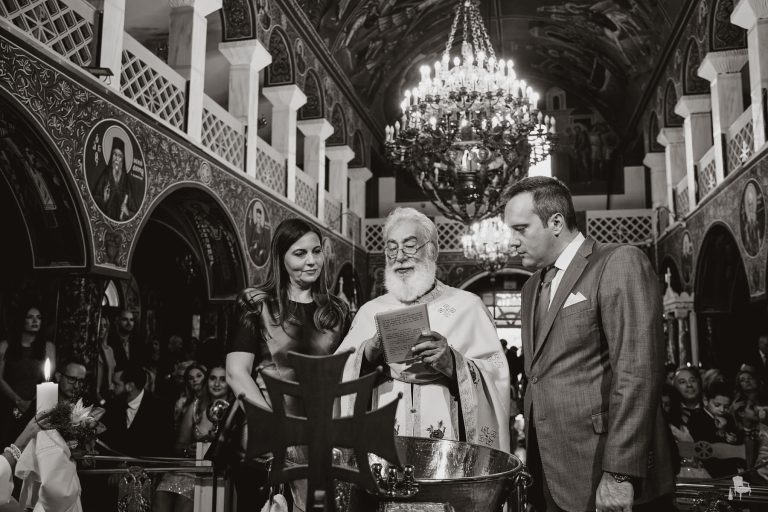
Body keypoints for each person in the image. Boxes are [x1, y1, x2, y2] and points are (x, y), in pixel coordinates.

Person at [504, 176, 673, 512]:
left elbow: (637, 372)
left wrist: (620, 474)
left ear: (555, 223)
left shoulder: (617, 262)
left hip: (603, 466)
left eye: (521, 229)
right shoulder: (531, 287)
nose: (512, 243)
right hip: (550, 467)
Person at [336, 208, 510, 450]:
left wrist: (453, 363)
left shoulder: (468, 307)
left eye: (409, 246)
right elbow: (337, 374)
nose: (399, 257)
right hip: (383, 447)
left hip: (448, 450)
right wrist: (366, 354)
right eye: (391, 248)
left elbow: (496, 375)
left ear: (433, 250)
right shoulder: (369, 311)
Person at [226, 218, 350, 512]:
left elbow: (344, 376)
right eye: (300, 253)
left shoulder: (337, 311)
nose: (312, 261)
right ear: (281, 258)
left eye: (316, 251)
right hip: (266, 439)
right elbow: (236, 372)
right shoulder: (255, 302)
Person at [154, 365, 232, 512]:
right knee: (160, 497)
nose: (217, 384)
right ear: (207, 381)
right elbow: (179, 445)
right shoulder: (196, 407)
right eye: (213, 378)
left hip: (214, 472)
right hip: (188, 465)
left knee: (184, 503)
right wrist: (187, 449)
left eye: (223, 379)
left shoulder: (235, 410)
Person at [0, 306, 55, 445]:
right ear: (21, 320)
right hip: (8, 404)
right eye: (30, 317)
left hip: (37, 404)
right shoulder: (6, 345)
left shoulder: (48, 347)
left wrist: (31, 403)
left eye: (38, 318)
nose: (35, 321)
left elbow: (48, 379)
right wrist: (18, 401)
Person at [100, 363, 173, 457]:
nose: (110, 387)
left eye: (116, 384)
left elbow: (164, 448)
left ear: (130, 386)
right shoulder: (110, 406)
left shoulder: (161, 408)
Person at [92, 138, 136, 221]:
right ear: (111, 156)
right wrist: (104, 199)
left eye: (120, 156)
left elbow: (134, 212)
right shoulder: (105, 175)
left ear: (122, 160)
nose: (116, 159)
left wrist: (127, 212)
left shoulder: (126, 181)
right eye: (115, 154)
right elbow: (93, 199)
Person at [95, 316, 116, 403]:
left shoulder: (110, 350)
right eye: (99, 325)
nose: (102, 329)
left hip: (110, 393)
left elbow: (112, 374)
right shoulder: (92, 350)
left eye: (105, 326)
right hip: (98, 395)